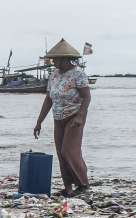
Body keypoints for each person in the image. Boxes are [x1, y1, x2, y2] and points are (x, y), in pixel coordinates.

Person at [33, 39, 92, 197]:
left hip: (74, 116)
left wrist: (80, 116)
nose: (53, 63)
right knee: (60, 152)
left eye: (55, 59)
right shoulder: (54, 76)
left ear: (64, 59)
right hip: (58, 117)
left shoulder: (78, 73)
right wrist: (39, 122)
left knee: (69, 150)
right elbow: (48, 100)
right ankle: (68, 187)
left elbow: (86, 97)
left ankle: (83, 185)